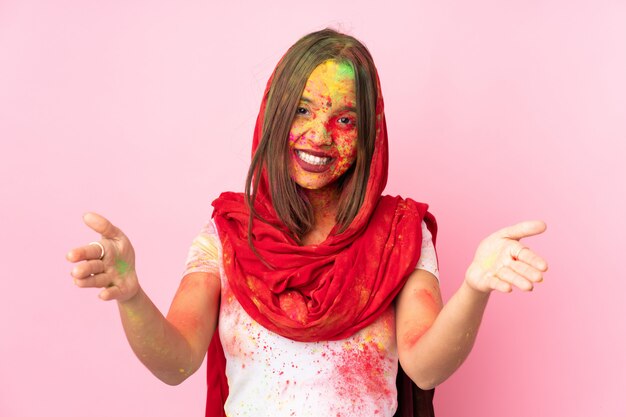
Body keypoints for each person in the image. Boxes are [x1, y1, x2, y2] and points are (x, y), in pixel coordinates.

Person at [66, 29, 548, 417]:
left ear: (370, 135)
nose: (318, 135)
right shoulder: (230, 234)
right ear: (275, 117)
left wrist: (474, 288)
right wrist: (130, 296)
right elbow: (175, 363)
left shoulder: (398, 235)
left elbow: (424, 368)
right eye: (302, 111)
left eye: (344, 120)